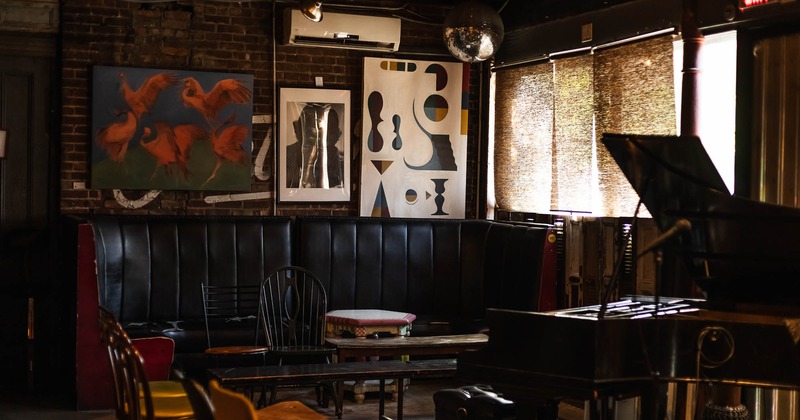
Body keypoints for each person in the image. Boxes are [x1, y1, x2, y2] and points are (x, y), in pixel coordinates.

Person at [285, 104, 343, 189]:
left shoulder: (342, 167)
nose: (318, 147)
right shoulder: (283, 159)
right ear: (297, 131)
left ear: (337, 136)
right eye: (312, 137)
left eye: (327, 139)